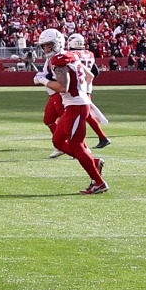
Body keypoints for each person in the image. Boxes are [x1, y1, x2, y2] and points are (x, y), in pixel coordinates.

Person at [45, 33, 109, 194]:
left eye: (48, 45)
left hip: (76, 106)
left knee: (76, 145)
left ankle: (99, 182)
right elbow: (90, 75)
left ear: (56, 44)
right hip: (75, 103)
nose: (45, 48)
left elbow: (63, 87)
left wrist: (43, 80)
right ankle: (93, 161)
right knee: (58, 141)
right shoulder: (71, 55)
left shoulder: (61, 59)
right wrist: (83, 92)